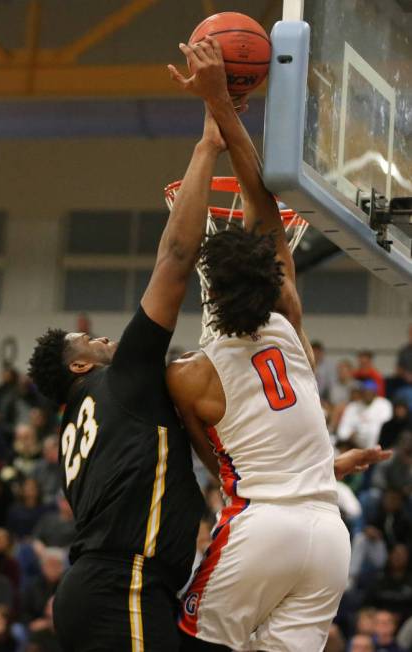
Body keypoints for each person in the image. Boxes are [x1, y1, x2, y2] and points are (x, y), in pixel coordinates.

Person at [166, 37, 391, 652]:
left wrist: (211, 112)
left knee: (191, 641)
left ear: (206, 285)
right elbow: (259, 194)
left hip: (261, 528)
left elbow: (214, 462)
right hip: (328, 534)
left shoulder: (189, 374)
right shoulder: (290, 322)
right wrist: (226, 111)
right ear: (273, 275)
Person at [27, 105, 226, 650]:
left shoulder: (76, 427)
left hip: (101, 588)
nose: (108, 339)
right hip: (125, 587)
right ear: (80, 365)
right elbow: (177, 256)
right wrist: (208, 144)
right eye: (93, 342)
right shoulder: (122, 382)